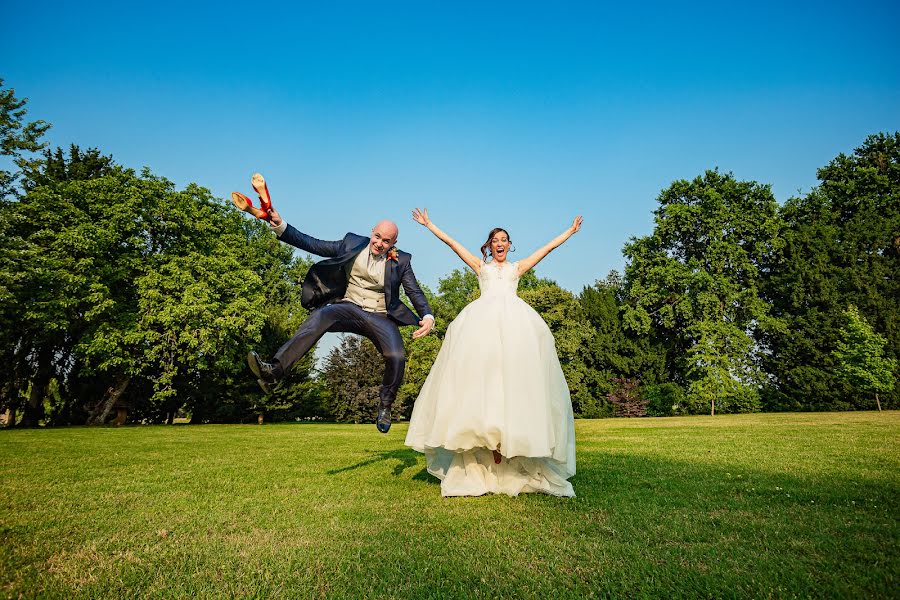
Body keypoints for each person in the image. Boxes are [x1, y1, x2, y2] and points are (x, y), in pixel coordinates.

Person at [405, 208, 582, 497]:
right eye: (495, 240)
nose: (500, 243)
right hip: (481, 327)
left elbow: (546, 248)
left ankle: (509, 445)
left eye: (504, 239)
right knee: (482, 382)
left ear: (509, 245)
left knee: (512, 382)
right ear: (489, 246)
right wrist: (428, 224)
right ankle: (488, 446)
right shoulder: (481, 267)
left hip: (515, 328)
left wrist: (569, 232)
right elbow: (452, 244)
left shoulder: (517, 268)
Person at [246, 204, 435, 433]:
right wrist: (281, 226)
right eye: (377, 237)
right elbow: (313, 244)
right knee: (321, 316)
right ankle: (273, 372)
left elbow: (413, 290)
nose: (379, 244)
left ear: (393, 244)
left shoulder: (401, 261)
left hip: (380, 316)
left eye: (386, 241)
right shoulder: (351, 243)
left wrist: (427, 315)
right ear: (371, 232)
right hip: (348, 307)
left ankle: (385, 405)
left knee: (397, 356)